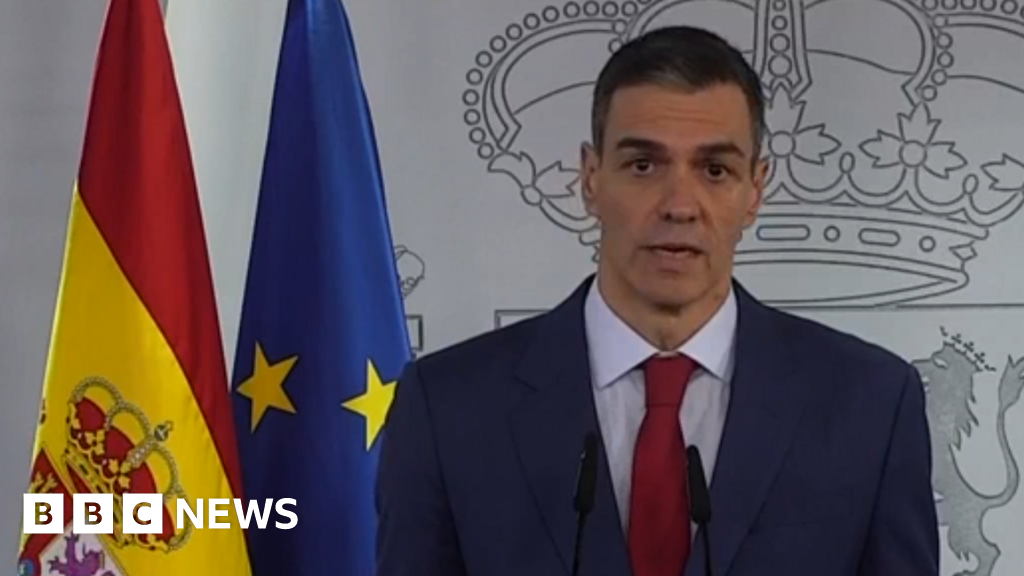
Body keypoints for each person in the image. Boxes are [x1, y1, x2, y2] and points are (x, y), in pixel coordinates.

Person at [375, 25, 939, 576]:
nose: (679, 205)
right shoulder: (448, 408)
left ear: (755, 190)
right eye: (643, 166)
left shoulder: (870, 405)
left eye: (715, 170)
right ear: (590, 178)